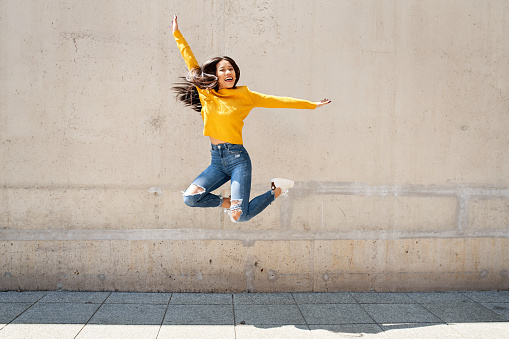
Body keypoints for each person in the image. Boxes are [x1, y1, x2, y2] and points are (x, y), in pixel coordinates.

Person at [171, 15, 331, 223]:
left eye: (231, 69)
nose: (229, 72)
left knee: (240, 216)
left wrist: (311, 104)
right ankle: (230, 203)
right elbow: (191, 63)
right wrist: (176, 34)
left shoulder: (246, 96)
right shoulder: (206, 93)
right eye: (223, 69)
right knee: (190, 198)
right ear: (214, 75)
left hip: (237, 160)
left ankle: (278, 189)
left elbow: (278, 101)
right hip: (217, 161)